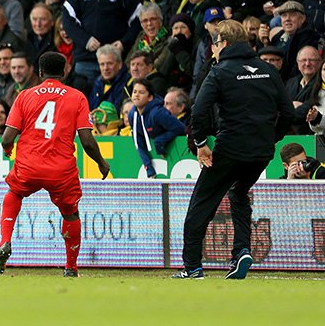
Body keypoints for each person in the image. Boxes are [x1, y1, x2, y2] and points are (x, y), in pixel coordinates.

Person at [175, 19, 294, 279]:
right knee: (239, 193)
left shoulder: (220, 71)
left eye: (215, 43)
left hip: (230, 149)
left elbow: (198, 110)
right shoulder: (267, 70)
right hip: (261, 153)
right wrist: (271, 139)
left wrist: (201, 144)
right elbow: (287, 112)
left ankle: (192, 267)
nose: (213, 49)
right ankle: (241, 250)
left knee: (201, 205)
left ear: (225, 43)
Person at [0, 51, 110, 277]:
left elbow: (6, 138)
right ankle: (71, 267)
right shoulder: (77, 97)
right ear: (64, 72)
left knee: (14, 194)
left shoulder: (24, 96)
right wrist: (101, 163)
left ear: (40, 72)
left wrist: (8, 150)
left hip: (29, 164)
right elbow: (86, 140)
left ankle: (5, 242)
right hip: (61, 169)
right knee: (70, 213)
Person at [63, 0, 141, 86]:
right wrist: (86, 40)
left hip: (113, 61)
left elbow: (138, 18)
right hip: (85, 60)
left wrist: (123, 42)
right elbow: (68, 20)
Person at [128, 78, 185, 178]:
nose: (136, 95)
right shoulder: (132, 115)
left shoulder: (158, 113)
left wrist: (160, 141)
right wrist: (148, 167)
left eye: (141, 92)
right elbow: (138, 142)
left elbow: (180, 128)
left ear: (150, 97)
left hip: (180, 152)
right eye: (134, 92)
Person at [285, 45, 322, 135]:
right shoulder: (290, 83)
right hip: (289, 137)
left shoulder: (322, 84)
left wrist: (289, 109)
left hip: (313, 137)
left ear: (320, 63)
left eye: (312, 60)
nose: (307, 63)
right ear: (298, 64)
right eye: (303, 60)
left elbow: (309, 111)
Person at [89, 44, 129, 110]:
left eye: (110, 63)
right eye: (102, 64)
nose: (105, 68)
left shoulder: (127, 84)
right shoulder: (98, 83)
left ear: (120, 64)